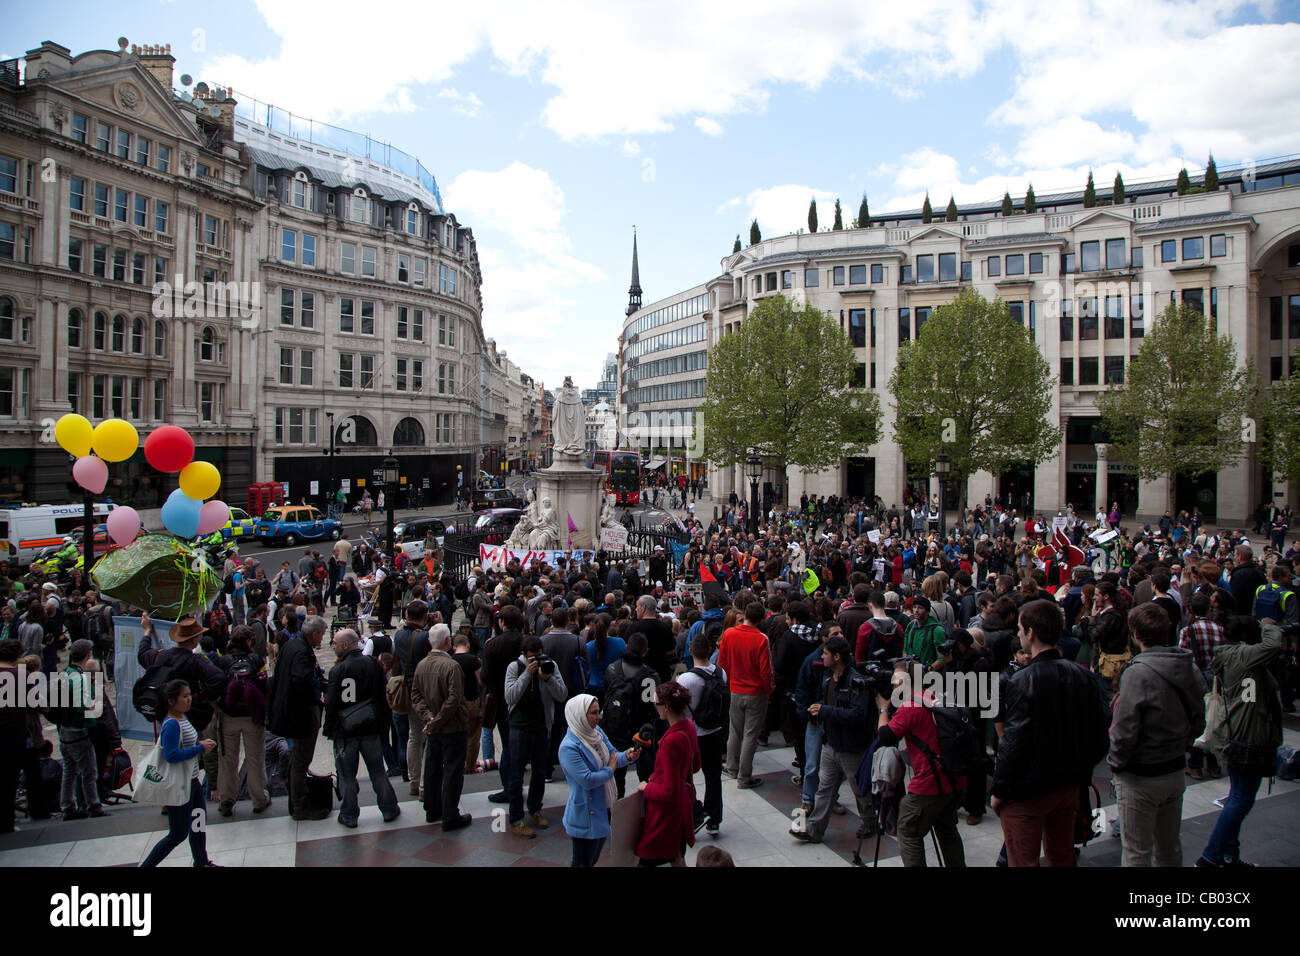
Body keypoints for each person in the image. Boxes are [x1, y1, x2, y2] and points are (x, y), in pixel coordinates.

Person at [992, 599, 1109, 867]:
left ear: (1031, 633)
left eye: (1021, 630)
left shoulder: (1022, 680)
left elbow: (1015, 742)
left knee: (1023, 860)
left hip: (1027, 791)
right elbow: (1100, 737)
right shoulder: (1083, 675)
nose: (1018, 634)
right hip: (1067, 785)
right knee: (1062, 855)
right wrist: (1080, 772)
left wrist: (999, 790)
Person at [1108, 602, 1206, 867]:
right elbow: (1199, 717)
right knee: (1169, 846)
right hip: (1174, 768)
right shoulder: (1188, 666)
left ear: (1136, 634)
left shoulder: (1137, 673)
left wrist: (1116, 764)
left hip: (1141, 774)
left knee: (1137, 851)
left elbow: (1124, 729)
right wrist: (1183, 744)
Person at [1196, 615, 1286, 868]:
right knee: (1241, 800)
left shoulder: (1234, 656)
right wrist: (1269, 625)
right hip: (1249, 736)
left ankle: (1228, 855)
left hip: (1239, 732)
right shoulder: (1243, 655)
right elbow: (1273, 645)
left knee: (1237, 796)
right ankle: (1211, 856)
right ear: (1247, 637)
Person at [791, 636, 875, 846]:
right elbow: (828, 702)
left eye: (826, 653)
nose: (822, 657)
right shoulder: (828, 679)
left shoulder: (855, 682)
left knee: (858, 789)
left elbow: (857, 714)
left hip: (851, 747)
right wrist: (818, 708)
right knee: (824, 789)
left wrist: (825, 710)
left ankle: (870, 821)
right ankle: (814, 829)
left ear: (837, 657)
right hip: (831, 744)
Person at [323, 628, 401, 827]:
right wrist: (382, 722)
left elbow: (331, 702)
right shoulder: (372, 664)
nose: (332, 646)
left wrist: (329, 728)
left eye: (335, 643)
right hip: (370, 726)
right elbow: (381, 695)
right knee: (377, 770)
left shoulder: (338, 670)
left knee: (347, 775)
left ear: (346, 645)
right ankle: (389, 808)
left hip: (346, 730)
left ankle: (349, 814)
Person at [139, 680, 219, 867]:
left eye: (189, 694)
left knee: (198, 824)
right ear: (171, 701)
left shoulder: (183, 718)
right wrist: (199, 748)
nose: (189, 699)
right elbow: (171, 755)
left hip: (192, 782)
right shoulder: (172, 724)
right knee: (178, 833)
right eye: (184, 696)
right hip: (179, 785)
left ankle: (201, 861)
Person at [558, 694, 638, 867]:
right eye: (593, 713)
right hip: (585, 814)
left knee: (591, 860)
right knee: (582, 862)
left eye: (598, 712)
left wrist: (629, 756)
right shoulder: (568, 747)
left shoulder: (596, 732)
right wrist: (610, 769)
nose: (598, 717)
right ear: (580, 715)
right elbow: (587, 780)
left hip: (602, 807)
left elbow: (614, 756)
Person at [267, 615, 329, 821]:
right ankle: (300, 804)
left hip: (290, 712)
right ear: (314, 634)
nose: (322, 640)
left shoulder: (292, 645)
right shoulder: (302, 651)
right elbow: (301, 681)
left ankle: (297, 801)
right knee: (301, 760)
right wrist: (316, 700)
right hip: (300, 714)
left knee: (298, 760)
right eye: (321, 635)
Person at [504, 635, 566, 837]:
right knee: (516, 773)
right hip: (519, 727)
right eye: (532, 658)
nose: (536, 661)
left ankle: (535, 808)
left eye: (539, 656)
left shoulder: (550, 665)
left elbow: (562, 694)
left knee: (539, 771)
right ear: (524, 655)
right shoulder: (514, 667)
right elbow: (510, 696)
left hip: (542, 726)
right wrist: (526, 675)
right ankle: (515, 817)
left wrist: (547, 678)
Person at [410, 624, 471, 829]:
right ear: (448, 642)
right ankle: (449, 814)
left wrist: (428, 719)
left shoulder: (421, 665)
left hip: (433, 727)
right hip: (452, 727)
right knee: (452, 771)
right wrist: (435, 721)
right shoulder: (451, 666)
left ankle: (432, 808)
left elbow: (415, 695)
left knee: (433, 768)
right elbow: (454, 699)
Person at [635, 682, 700, 867]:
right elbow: (695, 766)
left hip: (665, 814)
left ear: (667, 707)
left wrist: (648, 787)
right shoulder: (689, 726)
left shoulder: (671, 741)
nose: (655, 708)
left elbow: (668, 791)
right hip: (682, 806)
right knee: (677, 855)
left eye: (657, 704)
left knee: (648, 858)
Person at [717, 601, 773, 789]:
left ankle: (732, 768)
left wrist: (731, 680)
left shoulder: (729, 634)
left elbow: (722, 662)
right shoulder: (761, 639)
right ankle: (744, 776)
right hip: (756, 691)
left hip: (735, 688)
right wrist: (767, 689)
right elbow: (765, 670)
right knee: (750, 734)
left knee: (735, 730)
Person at [215, 625, 269, 816]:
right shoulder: (255, 660)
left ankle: (227, 799)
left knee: (228, 759)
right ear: (248, 641)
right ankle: (258, 798)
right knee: (254, 757)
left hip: (228, 716)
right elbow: (265, 682)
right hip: (252, 716)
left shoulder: (223, 661)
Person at [678, 633, 727, 834]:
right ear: (709, 650)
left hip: (694, 734)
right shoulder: (721, 673)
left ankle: (696, 813)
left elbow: (678, 707)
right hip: (715, 731)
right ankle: (714, 819)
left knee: (686, 777)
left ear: (691, 651)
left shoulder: (685, 678)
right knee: (713, 776)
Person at [56, 639, 105, 820]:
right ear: (88, 655)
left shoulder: (66, 673)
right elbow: (85, 707)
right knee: (89, 771)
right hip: (79, 731)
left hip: (64, 731)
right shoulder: (79, 678)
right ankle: (94, 804)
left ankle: (67, 805)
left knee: (69, 770)